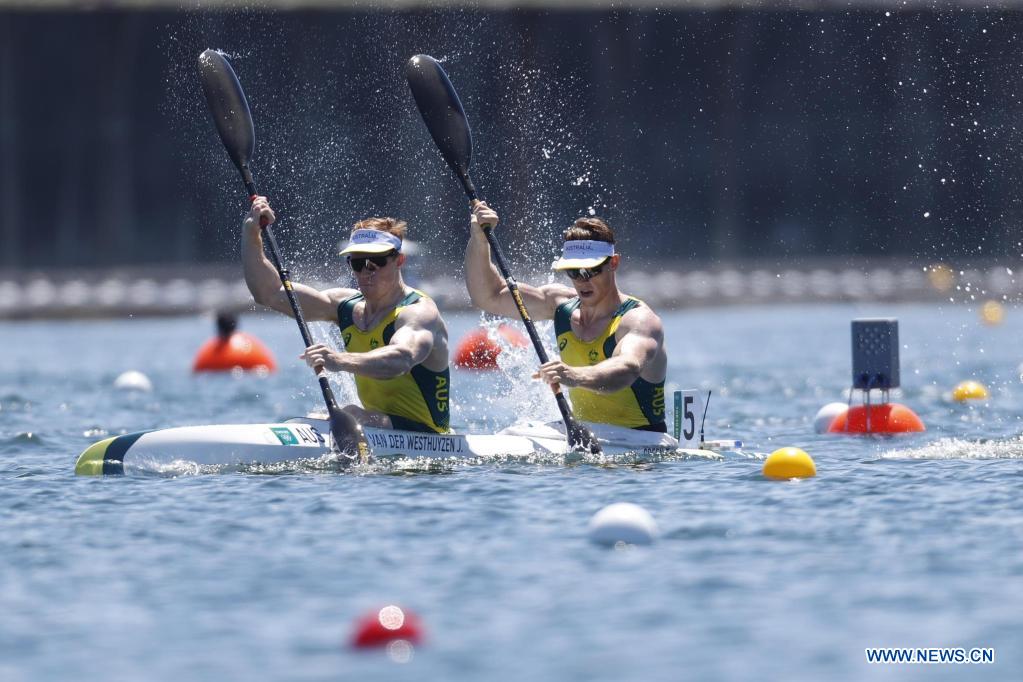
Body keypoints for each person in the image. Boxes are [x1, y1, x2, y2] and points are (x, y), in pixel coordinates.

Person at [242, 197, 451, 433]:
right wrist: (251, 233)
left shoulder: (418, 311)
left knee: (351, 413)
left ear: (399, 260)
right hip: (378, 426)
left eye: (376, 262)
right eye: (357, 263)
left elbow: (401, 359)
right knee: (317, 417)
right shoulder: (345, 305)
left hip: (428, 435)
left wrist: (338, 360)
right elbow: (269, 293)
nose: (365, 272)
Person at [464, 203, 667, 432]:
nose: (582, 280)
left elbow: (627, 368)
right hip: (586, 434)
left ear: (613, 263)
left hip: (640, 443)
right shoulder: (559, 305)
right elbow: (487, 296)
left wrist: (573, 375)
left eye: (590, 271)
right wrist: (479, 239)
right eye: (573, 272)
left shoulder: (638, 321)